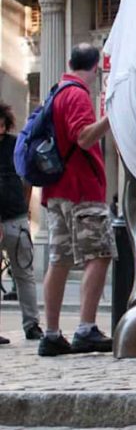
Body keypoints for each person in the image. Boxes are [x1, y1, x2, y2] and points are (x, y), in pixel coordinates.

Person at [37, 43, 115, 356]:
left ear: (69, 61)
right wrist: (111, 118)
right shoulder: (77, 94)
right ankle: (86, 328)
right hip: (82, 190)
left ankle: (52, 334)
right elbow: (84, 136)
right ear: (95, 69)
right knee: (100, 253)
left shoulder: (56, 91)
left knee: (59, 260)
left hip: (57, 191)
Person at [0, 102, 42, 341]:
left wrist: (24, 209)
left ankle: (32, 324)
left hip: (16, 218)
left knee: (24, 274)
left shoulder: (15, 145)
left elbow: (26, 178)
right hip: (14, 217)